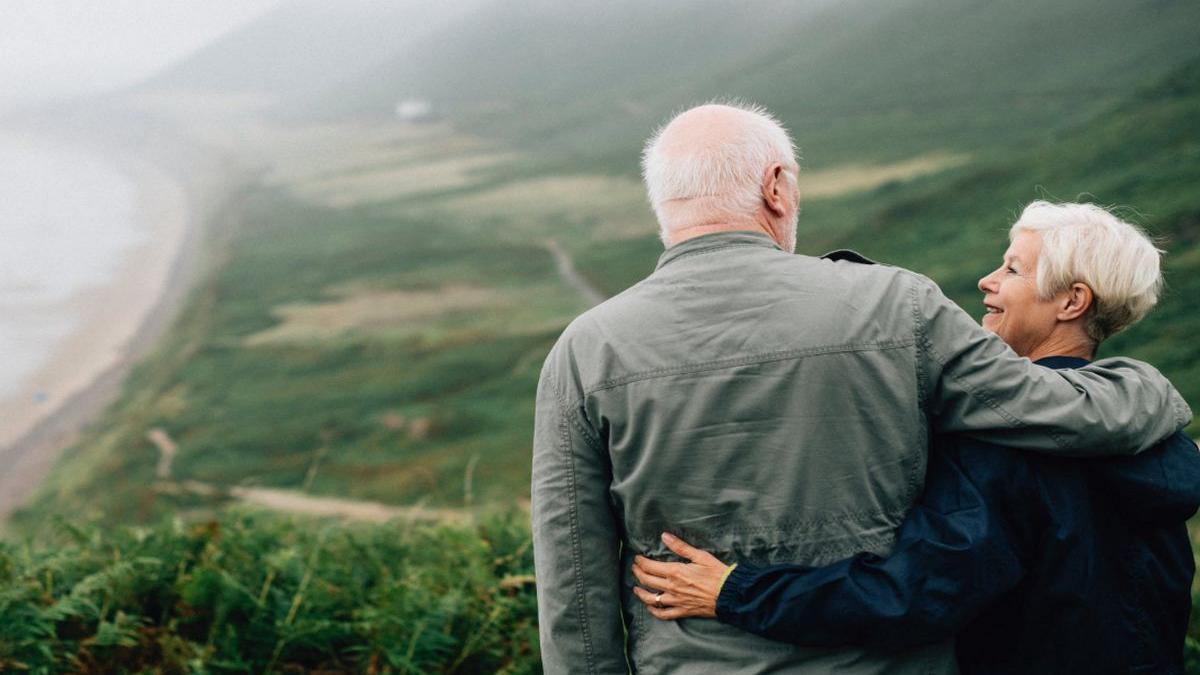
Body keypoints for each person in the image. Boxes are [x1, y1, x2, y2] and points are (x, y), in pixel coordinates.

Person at [531, 103, 1191, 674]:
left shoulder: (583, 352)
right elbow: (1052, 407)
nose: (991, 281)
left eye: (1012, 268)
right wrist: (1150, 391)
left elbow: (574, 593)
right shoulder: (898, 307)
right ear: (778, 186)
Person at [630, 201, 1200, 673]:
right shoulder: (1159, 439)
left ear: (1073, 302)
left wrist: (734, 592)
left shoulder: (1004, 447)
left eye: (1014, 269)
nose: (988, 280)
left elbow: (917, 595)